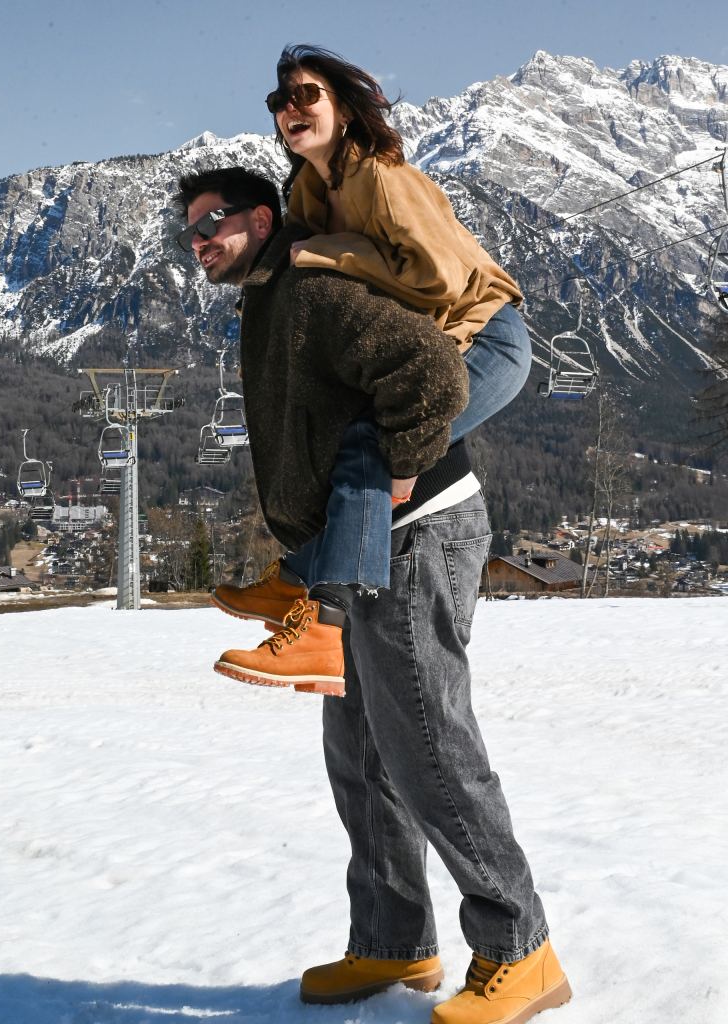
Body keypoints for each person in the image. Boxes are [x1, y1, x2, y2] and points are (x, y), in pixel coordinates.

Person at [173, 166, 571, 1024]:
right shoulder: (271, 294)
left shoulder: (312, 284)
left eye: (213, 222)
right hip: (359, 548)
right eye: (190, 231)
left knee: (425, 742)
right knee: (359, 750)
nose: (199, 241)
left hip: (419, 530)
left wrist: (393, 470)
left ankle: (521, 948)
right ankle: (394, 942)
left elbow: (430, 374)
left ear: (262, 218)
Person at [210, 45, 532, 688]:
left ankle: (324, 624)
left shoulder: (382, 177)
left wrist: (335, 252)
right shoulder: (308, 191)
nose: (290, 109)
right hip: (440, 340)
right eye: (279, 101)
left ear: (346, 110)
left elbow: (439, 280)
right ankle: (297, 578)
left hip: (488, 337)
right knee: (345, 437)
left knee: (372, 443)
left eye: (307, 95)